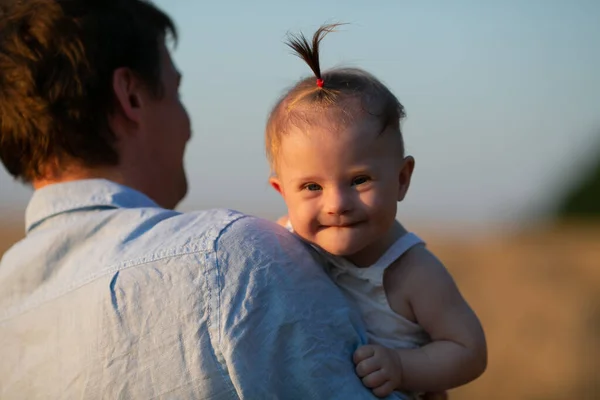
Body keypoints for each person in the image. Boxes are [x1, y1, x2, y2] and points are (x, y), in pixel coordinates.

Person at [0, 2, 396, 399]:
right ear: (132, 96)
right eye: (176, 92)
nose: (188, 125)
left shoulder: (7, 304)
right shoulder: (231, 258)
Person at [266, 24, 488, 399]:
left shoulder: (412, 272)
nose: (336, 204)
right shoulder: (280, 246)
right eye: (312, 187)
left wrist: (404, 368)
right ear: (282, 191)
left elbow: (469, 351)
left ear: (402, 179)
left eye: (359, 180)